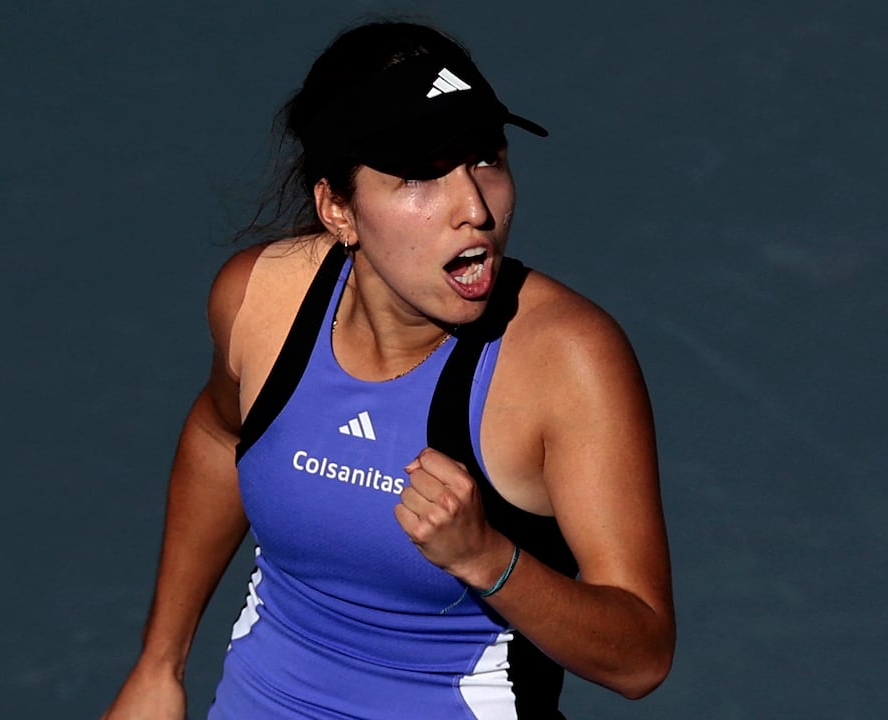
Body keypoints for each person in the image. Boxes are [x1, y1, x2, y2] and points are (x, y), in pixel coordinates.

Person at [103, 19, 674, 720]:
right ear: (337, 208)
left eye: (486, 159)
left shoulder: (565, 361)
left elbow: (642, 655)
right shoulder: (263, 302)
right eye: (420, 176)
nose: (475, 209)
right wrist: (159, 665)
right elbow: (221, 435)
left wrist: (490, 560)